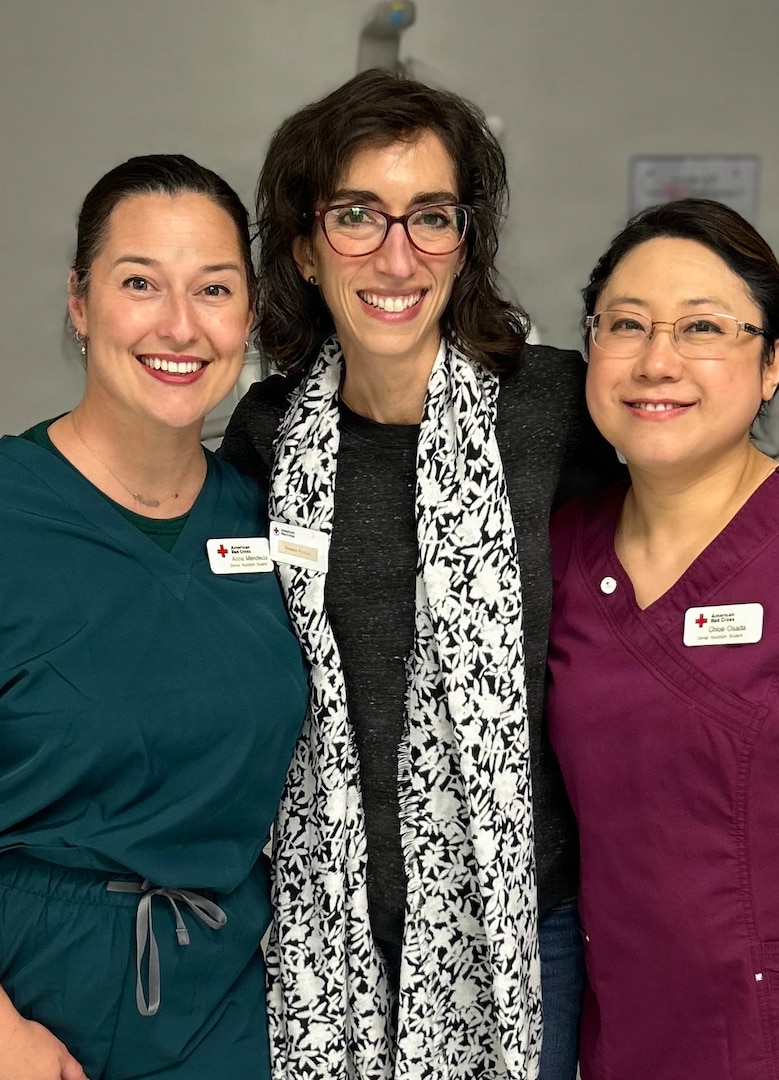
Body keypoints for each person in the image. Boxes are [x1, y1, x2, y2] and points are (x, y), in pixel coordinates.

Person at [222, 69, 617, 1080]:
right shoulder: (266, 437)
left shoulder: (556, 409)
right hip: (324, 936)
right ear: (305, 247)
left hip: (527, 931)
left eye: (429, 216)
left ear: (465, 238)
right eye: (357, 215)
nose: (396, 256)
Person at [0, 154, 308, 1080]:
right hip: (28, 993)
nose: (180, 325)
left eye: (213, 289)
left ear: (249, 317)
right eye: (140, 283)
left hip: (225, 1003)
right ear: (80, 302)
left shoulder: (277, 521)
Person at [545, 198, 779, 1079]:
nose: (657, 362)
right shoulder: (561, 554)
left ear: (773, 362)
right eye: (626, 325)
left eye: (702, 327)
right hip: (622, 1041)